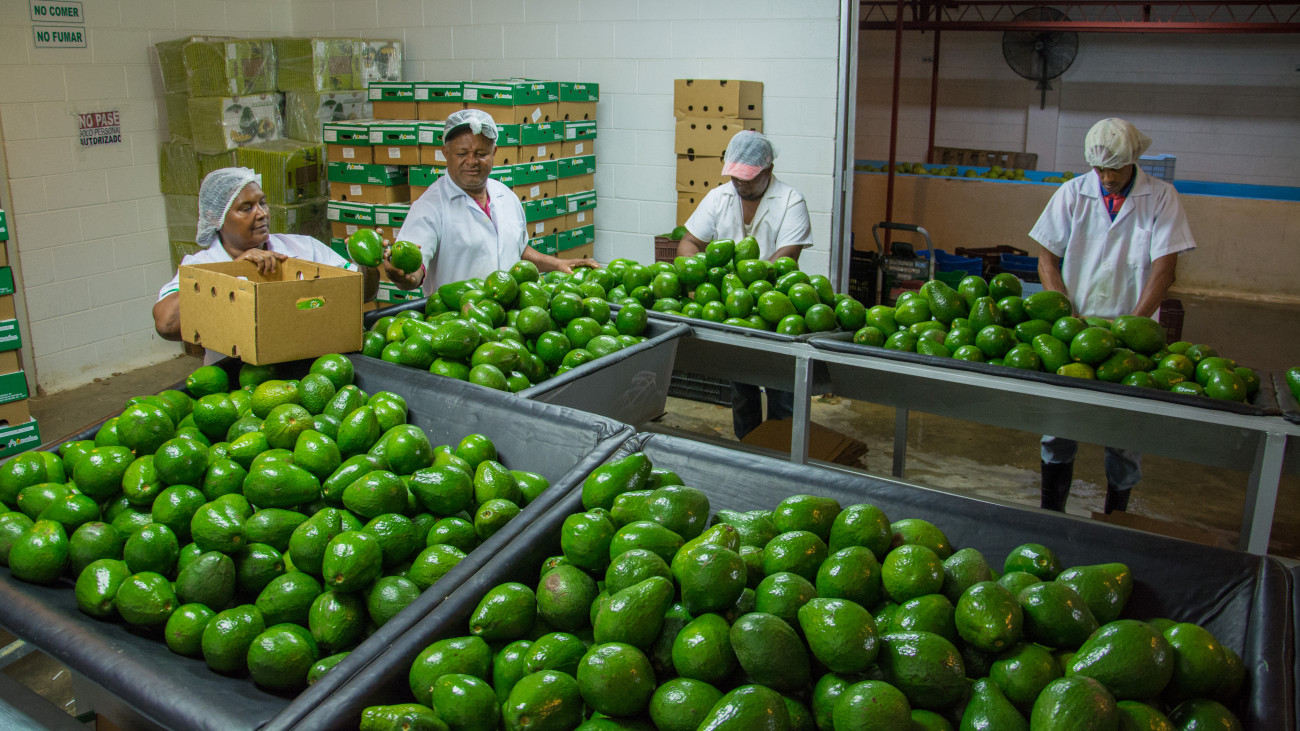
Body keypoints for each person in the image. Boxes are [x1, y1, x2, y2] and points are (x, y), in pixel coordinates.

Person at [1029, 118, 1196, 514]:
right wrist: (1067, 315)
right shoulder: (1073, 193)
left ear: (1134, 159)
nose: (1106, 177)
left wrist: (1130, 326)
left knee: (1125, 434)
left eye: (1115, 168)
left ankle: (1116, 518)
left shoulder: (1161, 197)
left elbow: (1164, 270)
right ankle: (1052, 515)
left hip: (1134, 331)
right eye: (1099, 168)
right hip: (1077, 328)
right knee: (1060, 428)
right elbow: (1047, 261)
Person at [153, 167, 408, 363]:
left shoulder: (302, 248)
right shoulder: (202, 265)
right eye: (246, 208)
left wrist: (368, 264)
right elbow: (166, 324)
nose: (262, 213)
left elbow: (363, 292)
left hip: (310, 368)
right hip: (236, 379)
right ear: (215, 218)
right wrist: (233, 271)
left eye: (262, 202)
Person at [678, 131, 814, 440]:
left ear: (768, 170)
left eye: (748, 178)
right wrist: (696, 279)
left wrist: (746, 286)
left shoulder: (791, 200)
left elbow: (787, 256)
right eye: (735, 177)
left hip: (777, 309)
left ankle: (780, 449)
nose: (740, 183)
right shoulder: (718, 197)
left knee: (781, 388)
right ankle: (748, 446)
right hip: (734, 310)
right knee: (741, 386)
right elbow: (689, 243)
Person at [395, 109, 598, 296]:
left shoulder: (505, 195)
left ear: (494, 152)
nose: (472, 161)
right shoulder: (429, 207)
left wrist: (558, 264)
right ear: (446, 153)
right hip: (459, 318)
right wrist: (404, 277)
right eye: (462, 154)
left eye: (481, 154)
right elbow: (414, 266)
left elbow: (518, 250)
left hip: (508, 318)